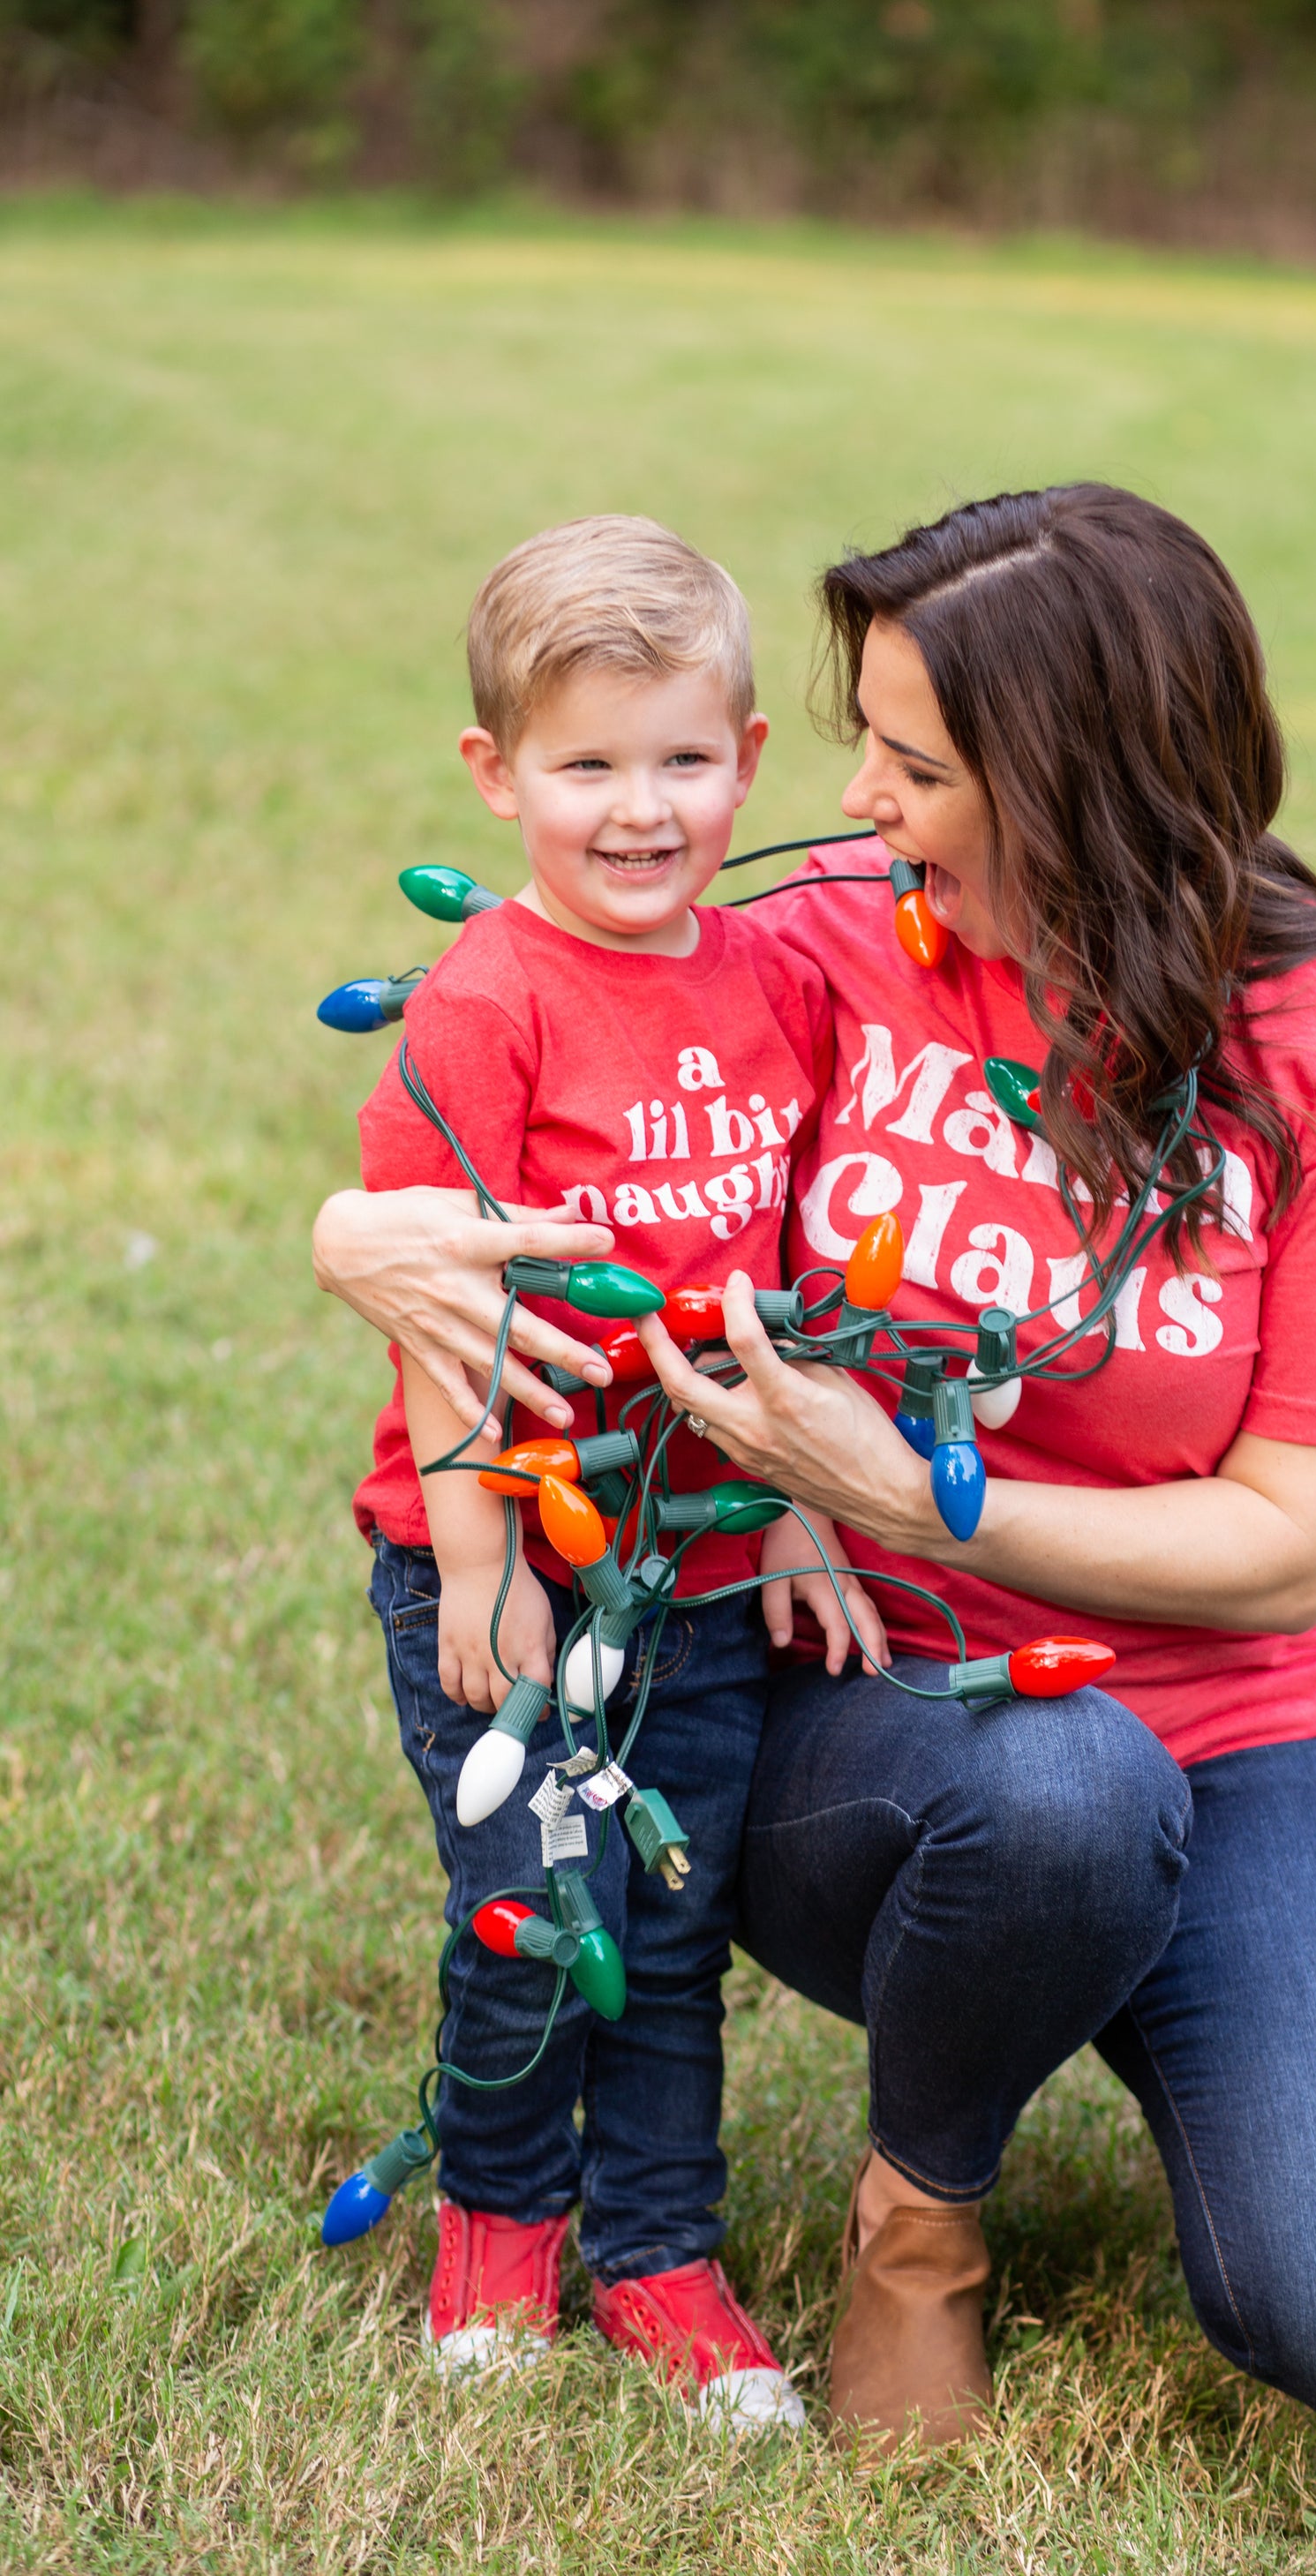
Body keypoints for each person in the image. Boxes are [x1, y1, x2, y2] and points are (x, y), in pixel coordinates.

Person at [314, 484, 1316, 2454]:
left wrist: (895, 1485)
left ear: (1076, 784)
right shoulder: (831, 936)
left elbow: (1294, 1552)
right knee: (1058, 1781)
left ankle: (1113, 2007)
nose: (855, 794)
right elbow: (520, 1028)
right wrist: (354, 1234)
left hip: (1237, 1727)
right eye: (861, 734)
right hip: (872, 1714)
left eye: (914, 759)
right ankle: (920, 2220)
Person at [350, 514, 885, 2425]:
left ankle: (656, 2245)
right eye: (587, 765)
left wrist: (807, 1493)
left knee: (661, 1923)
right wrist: (485, 1556)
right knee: (528, 1901)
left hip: (708, 1565)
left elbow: (793, 1284)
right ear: (498, 777)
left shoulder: (774, 985)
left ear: (746, 756)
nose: (639, 808)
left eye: (679, 758)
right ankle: (499, 2224)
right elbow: (443, 1306)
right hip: (506, 1562)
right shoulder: (485, 999)